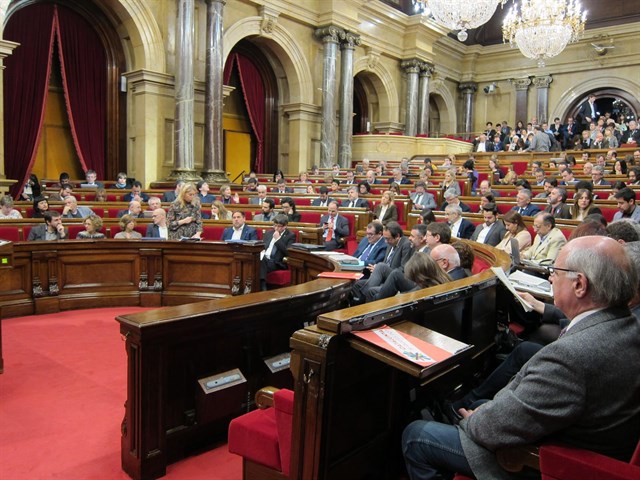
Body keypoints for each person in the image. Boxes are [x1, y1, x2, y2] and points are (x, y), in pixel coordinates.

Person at [403, 236, 640, 480]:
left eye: (555, 271)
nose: (550, 278)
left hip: (543, 461)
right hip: (587, 439)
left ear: (579, 284)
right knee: (475, 406)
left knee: (417, 435)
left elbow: (493, 428)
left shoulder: (571, 356)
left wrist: (472, 421)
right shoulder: (629, 326)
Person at [350, 221, 415, 305]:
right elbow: (385, 262)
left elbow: (403, 268)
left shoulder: (405, 244)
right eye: (385, 238)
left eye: (388, 238)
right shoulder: (389, 243)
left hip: (397, 277)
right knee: (357, 284)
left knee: (381, 267)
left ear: (397, 236)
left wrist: (380, 269)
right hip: (385, 276)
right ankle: (355, 306)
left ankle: (364, 296)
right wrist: (377, 269)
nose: (385, 241)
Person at [259, 214, 295, 291]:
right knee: (256, 261)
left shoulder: (290, 236)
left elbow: (288, 252)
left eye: (279, 226)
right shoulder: (269, 233)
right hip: (265, 259)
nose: (276, 228)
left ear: (285, 226)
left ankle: (262, 285)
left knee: (262, 262)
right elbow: (263, 247)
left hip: (277, 262)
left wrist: (278, 239)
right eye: (275, 225)